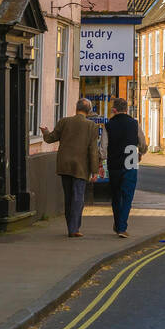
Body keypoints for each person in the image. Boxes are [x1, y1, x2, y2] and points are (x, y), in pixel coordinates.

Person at [40, 99, 101, 237]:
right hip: (81, 167)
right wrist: (95, 171)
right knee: (78, 197)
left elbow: (50, 138)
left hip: (64, 165)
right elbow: (93, 150)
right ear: (89, 111)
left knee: (68, 197)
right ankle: (74, 229)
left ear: (76, 108)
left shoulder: (64, 121)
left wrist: (45, 131)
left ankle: (71, 227)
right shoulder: (91, 126)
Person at [106, 97, 148, 237]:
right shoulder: (134, 124)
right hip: (130, 162)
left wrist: (101, 160)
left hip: (114, 164)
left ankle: (118, 224)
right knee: (127, 196)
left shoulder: (109, 125)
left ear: (114, 110)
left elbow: (103, 147)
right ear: (126, 109)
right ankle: (122, 227)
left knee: (116, 196)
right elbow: (142, 142)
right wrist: (141, 153)